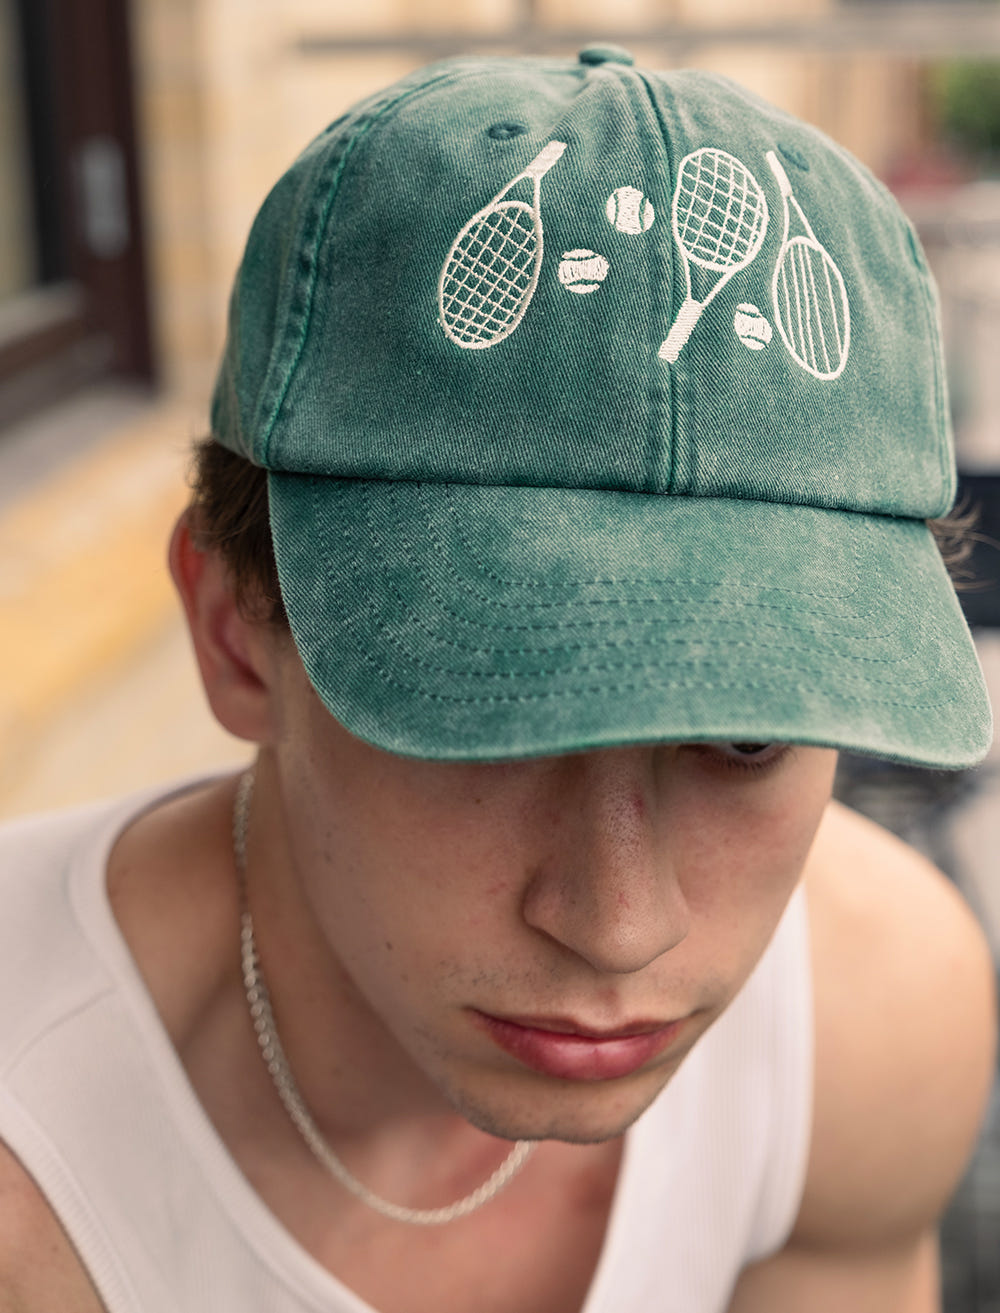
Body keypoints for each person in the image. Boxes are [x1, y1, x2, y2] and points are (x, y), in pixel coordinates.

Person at [0, 47, 996, 1313]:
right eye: (486, 715)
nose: (620, 921)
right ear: (233, 633)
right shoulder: (30, 1177)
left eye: (746, 734)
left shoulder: (874, 1011)